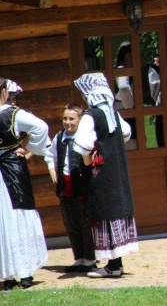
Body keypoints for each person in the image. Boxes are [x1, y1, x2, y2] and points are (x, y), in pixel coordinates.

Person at [73, 73, 138, 278]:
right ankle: (115, 265)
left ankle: (112, 266)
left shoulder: (91, 116)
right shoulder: (112, 112)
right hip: (117, 170)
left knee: (105, 212)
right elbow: (126, 133)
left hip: (101, 172)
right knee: (115, 210)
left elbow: (82, 145)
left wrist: (92, 155)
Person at [0, 78, 50, 290]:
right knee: (18, 215)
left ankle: (9, 276)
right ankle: (25, 273)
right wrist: (29, 148)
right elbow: (41, 127)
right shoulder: (13, 113)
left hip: (7, 168)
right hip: (12, 165)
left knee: (4, 219)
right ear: (4, 92)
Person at [44, 104, 96, 273]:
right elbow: (49, 155)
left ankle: (89, 259)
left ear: (80, 120)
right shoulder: (59, 137)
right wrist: (52, 170)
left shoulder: (85, 137)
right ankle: (78, 258)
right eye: (65, 118)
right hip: (65, 185)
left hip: (80, 185)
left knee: (84, 223)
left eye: (71, 119)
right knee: (70, 223)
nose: (67, 122)